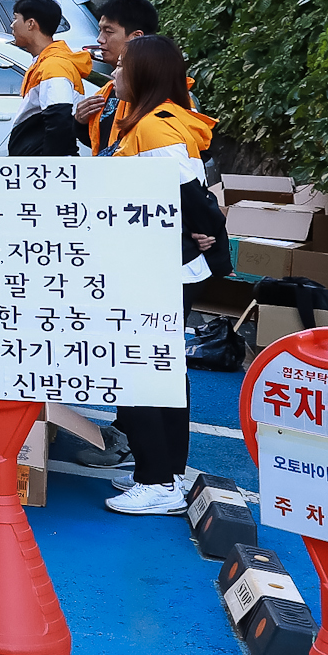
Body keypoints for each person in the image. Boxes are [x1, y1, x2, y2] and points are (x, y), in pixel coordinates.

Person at [97, 34, 225, 516]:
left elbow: (189, 190)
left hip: (157, 268)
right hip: (152, 264)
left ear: (144, 73)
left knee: (147, 370)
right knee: (158, 371)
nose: (114, 74)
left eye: (122, 66)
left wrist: (201, 230)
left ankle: (159, 480)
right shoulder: (150, 121)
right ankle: (160, 471)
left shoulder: (156, 127)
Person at [77, 0, 181, 154]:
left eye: (108, 32)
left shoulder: (166, 95)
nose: (100, 39)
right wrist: (80, 122)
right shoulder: (109, 91)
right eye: (100, 31)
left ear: (136, 37)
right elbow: (107, 144)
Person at [8, 0, 91, 157]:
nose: (12, 25)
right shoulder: (46, 61)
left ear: (31, 23)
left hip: (46, 169)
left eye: (15, 18)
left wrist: (49, 166)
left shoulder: (54, 65)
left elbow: (59, 118)